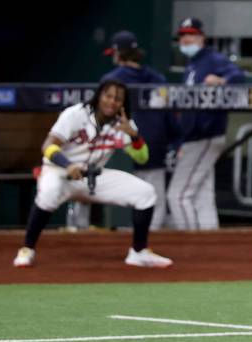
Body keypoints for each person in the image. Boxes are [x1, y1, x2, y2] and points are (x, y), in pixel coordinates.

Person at [13, 80, 172, 268]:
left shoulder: (124, 124)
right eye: (108, 96)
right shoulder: (75, 114)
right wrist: (68, 164)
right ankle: (27, 249)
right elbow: (47, 146)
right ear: (98, 96)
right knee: (49, 192)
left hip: (93, 176)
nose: (112, 102)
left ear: (123, 103)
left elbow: (142, 158)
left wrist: (134, 136)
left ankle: (139, 252)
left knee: (145, 192)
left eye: (118, 99)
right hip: (60, 171)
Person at [166, 17, 245, 230]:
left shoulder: (212, 59)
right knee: (203, 195)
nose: (185, 39)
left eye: (190, 34)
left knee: (178, 195)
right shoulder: (192, 65)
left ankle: (190, 245)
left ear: (202, 37)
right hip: (194, 137)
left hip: (206, 134)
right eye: (182, 35)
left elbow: (238, 76)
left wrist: (222, 81)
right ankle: (211, 243)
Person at [101, 30, 181, 230]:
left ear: (118, 54)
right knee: (154, 198)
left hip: (124, 149)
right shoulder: (158, 78)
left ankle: (129, 241)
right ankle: (147, 241)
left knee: (125, 197)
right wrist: (175, 141)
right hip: (155, 144)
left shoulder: (112, 79)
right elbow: (170, 117)